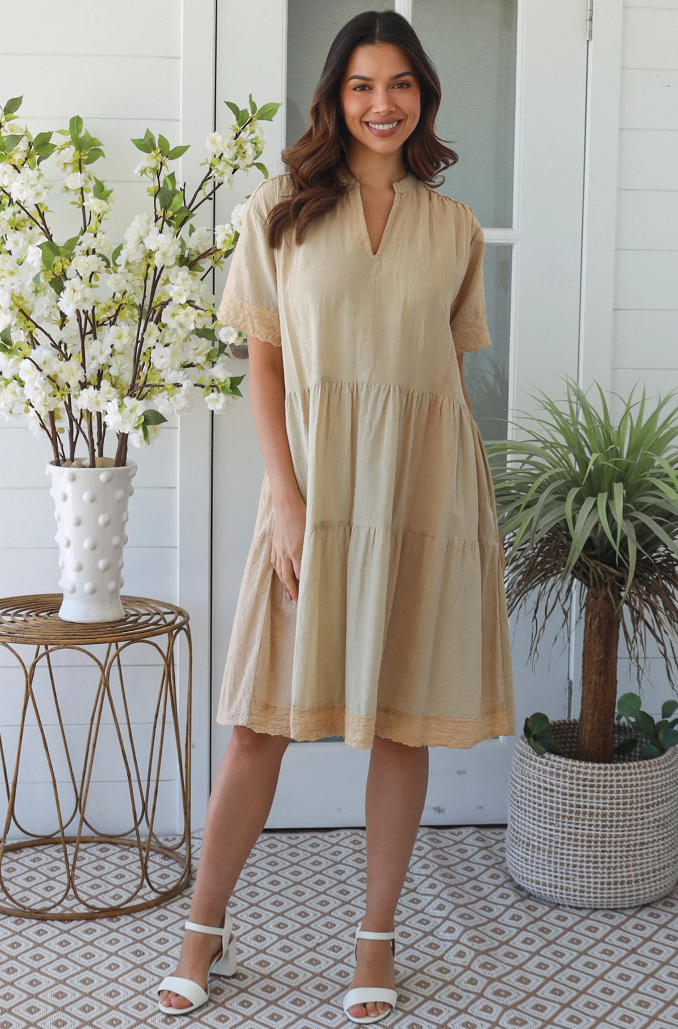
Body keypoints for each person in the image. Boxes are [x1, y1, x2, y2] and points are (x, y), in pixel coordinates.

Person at [158, 9, 516, 1024]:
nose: (381, 103)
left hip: (424, 494)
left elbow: (445, 380)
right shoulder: (278, 209)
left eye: (400, 84)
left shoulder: (454, 227)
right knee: (259, 723)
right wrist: (284, 497)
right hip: (311, 493)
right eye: (362, 85)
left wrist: (469, 519)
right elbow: (265, 365)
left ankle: (376, 939)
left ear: (423, 96)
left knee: (403, 722)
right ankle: (203, 931)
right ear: (335, 97)